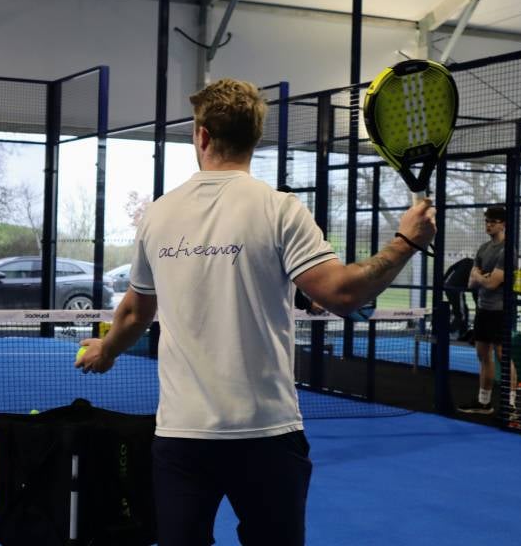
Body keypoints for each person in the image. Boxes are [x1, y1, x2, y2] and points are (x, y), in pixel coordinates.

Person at [74, 78, 435, 546]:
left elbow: (133, 314)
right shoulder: (280, 209)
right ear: (255, 138)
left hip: (183, 438)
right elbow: (342, 295)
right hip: (268, 436)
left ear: (202, 136)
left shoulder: (157, 216)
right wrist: (406, 242)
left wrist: (106, 349)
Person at [458, 206, 517, 416]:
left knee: (503, 355)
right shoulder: (483, 249)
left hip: (500, 311)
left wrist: (479, 277)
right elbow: (470, 284)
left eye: (493, 221)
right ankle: (484, 403)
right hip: (483, 309)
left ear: (503, 224)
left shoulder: (507, 250)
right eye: (486, 221)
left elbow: (492, 284)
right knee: (482, 355)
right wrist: (481, 278)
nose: (488, 224)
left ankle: (510, 405)